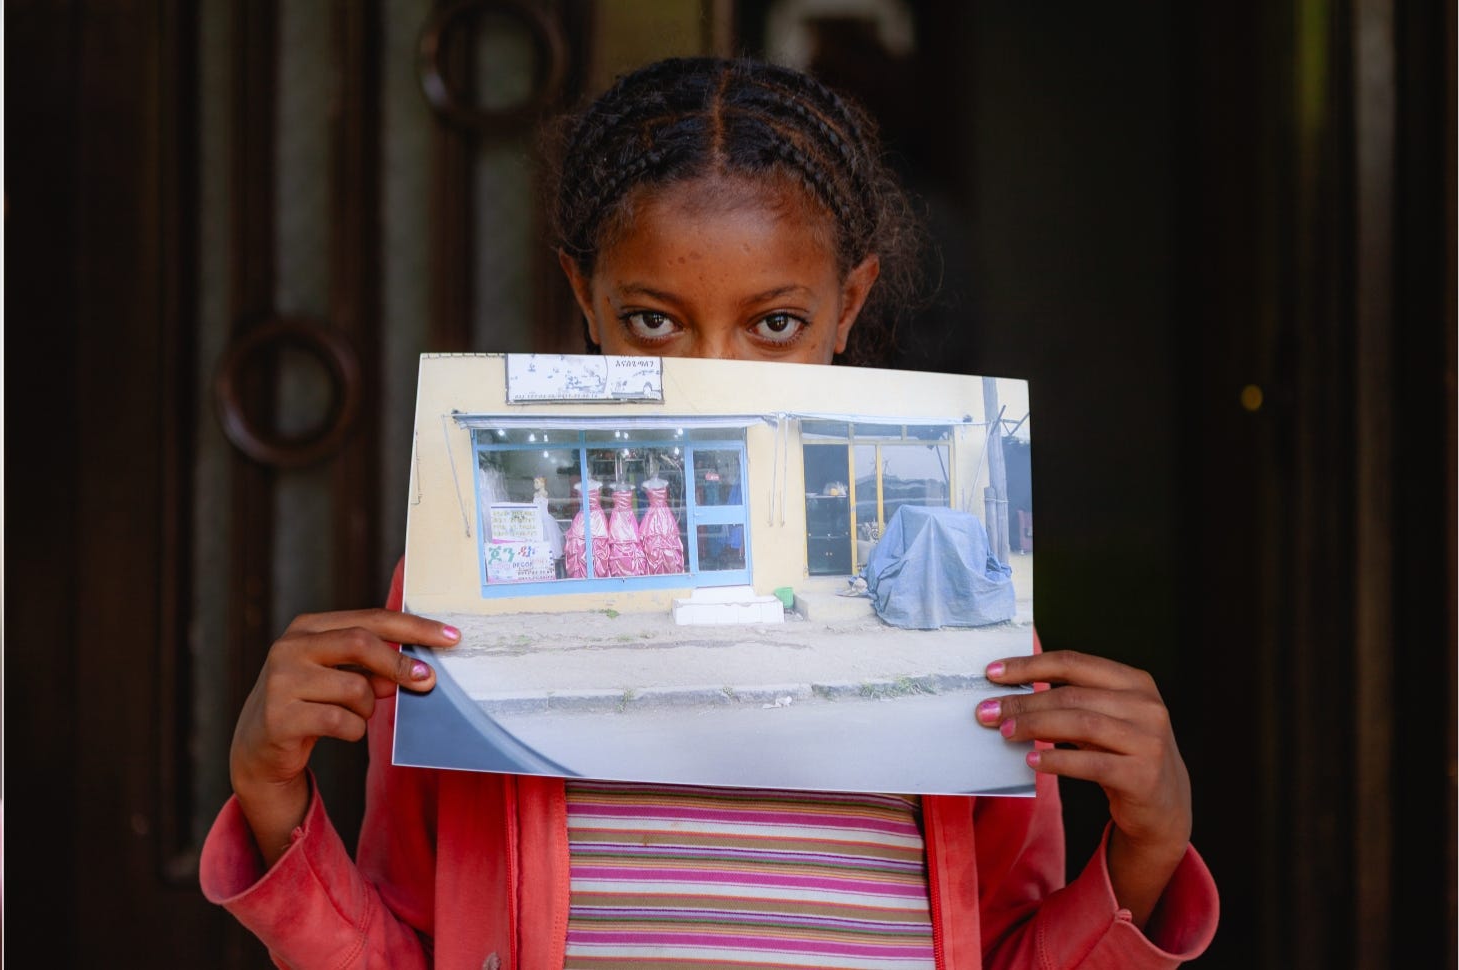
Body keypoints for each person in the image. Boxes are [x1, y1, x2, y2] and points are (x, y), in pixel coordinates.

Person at [207, 57, 1213, 968]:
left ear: (847, 304)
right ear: (583, 297)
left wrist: (1144, 854)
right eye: (652, 320)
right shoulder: (454, 603)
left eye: (775, 323)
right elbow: (406, 944)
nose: (712, 381)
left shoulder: (951, 596)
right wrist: (273, 800)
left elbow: (1007, 948)